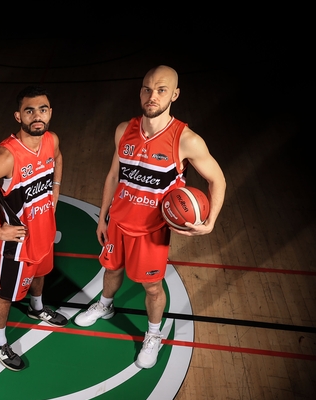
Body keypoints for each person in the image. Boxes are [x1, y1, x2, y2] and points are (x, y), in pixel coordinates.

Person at [74, 65, 226, 369]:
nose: (152, 95)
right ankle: (104, 306)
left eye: (161, 90)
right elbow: (114, 174)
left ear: (175, 94)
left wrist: (209, 224)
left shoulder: (186, 140)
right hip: (117, 221)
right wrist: (103, 217)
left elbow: (217, 180)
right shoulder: (123, 130)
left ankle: (153, 335)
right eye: (147, 88)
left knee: (153, 289)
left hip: (151, 231)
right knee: (112, 270)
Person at [0, 85, 68, 372]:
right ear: (18, 116)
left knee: (43, 272)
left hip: (44, 229)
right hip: (17, 242)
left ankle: (37, 307)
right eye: (29, 111)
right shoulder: (5, 157)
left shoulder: (51, 140)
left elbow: (58, 159)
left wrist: (54, 192)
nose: (37, 116)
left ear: (50, 113)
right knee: (5, 294)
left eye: (42, 109)